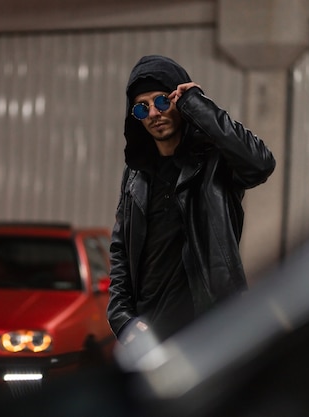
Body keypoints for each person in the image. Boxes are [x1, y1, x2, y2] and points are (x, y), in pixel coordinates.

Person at [107, 55, 276, 347]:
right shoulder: (136, 174)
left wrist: (197, 103)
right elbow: (121, 249)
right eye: (141, 107)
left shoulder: (214, 162)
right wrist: (123, 320)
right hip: (151, 332)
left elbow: (260, 163)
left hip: (211, 326)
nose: (153, 114)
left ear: (178, 99)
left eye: (162, 101)